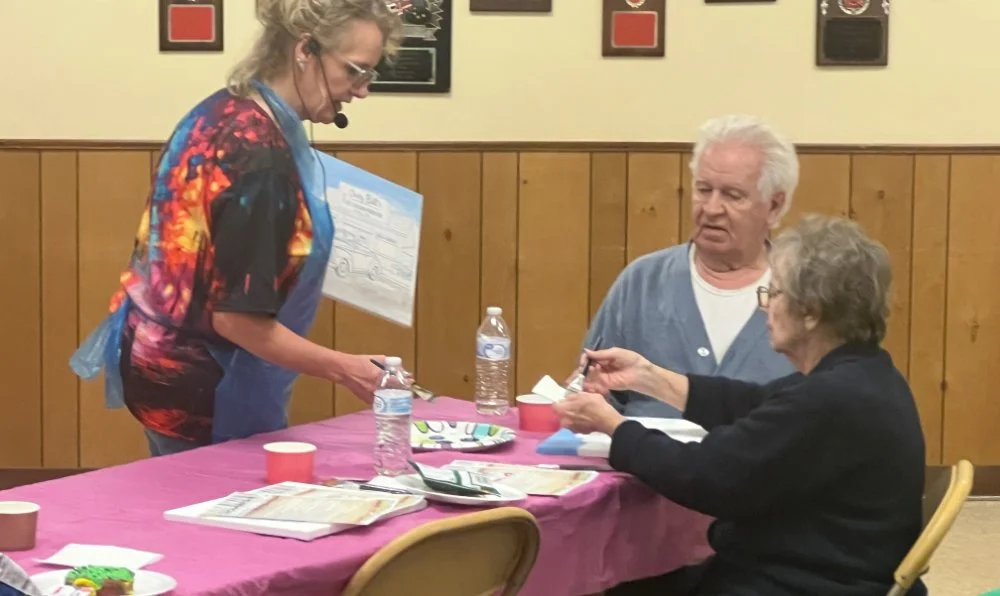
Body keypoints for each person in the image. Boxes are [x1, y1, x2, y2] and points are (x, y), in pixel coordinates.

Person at [69, 0, 404, 457]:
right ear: (305, 50)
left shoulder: (223, 110)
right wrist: (347, 368)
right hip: (209, 386)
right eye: (354, 71)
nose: (361, 90)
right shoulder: (260, 159)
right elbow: (238, 320)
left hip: (155, 356)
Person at [555, 214, 927, 596]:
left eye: (775, 293)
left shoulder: (829, 400)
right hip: (819, 570)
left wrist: (614, 428)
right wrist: (648, 377)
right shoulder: (865, 375)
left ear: (812, 311)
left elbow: (704, 476)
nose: (765, 306)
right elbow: (754, 404)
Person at [576, 114, 798, 418]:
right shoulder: (642, 281)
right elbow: (592, 392)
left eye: (732, 195)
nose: (711, 209)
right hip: (641, 463)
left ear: (773, 206)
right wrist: (590, 396)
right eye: (703, 190)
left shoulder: (804, 295)